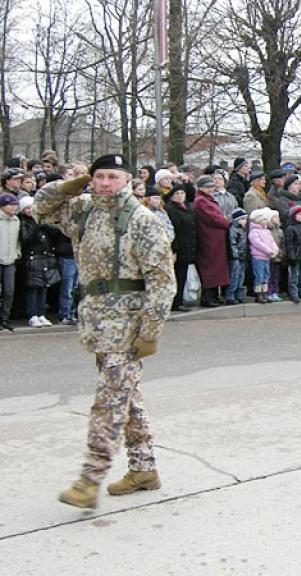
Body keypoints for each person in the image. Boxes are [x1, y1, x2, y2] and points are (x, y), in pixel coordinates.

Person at [34, 154, 174, 509]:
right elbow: (40, 208)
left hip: (127, 325)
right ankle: (144, 468)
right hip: (96, 321)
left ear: (127, 180)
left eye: (113, 176)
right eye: (99, 176)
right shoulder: (83, 209)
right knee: (128, 397)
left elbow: (162, 282)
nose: (105, 183)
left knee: (109, 402)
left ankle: (89, 479)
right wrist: (66, 185)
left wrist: (150, 332)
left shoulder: (142, 220)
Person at [17, 197, 60, 327]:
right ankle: (32, 315)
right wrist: (36, 226)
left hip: (46, 258)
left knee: (44, 287)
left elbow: (56, 232)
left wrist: (44, 223)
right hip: (32, 259)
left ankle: (41, 313)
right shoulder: (23, 222)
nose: (31, 210)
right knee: (33, 288)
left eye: (32, 208)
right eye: (27, 208)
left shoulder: (43, 221)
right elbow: (25, 239)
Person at [192, 175, 231, 307]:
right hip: (209, 239)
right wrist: (226, 221)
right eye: (208, 187)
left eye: (212, 187)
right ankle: (207, 297)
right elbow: (215, 218)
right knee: (210, 269)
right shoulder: (201, 201)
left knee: (217, 269)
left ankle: (214, 295)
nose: (211, 189)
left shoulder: (208, 200)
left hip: (215, 240)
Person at [247, 208, 277, 304]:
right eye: (264, 219)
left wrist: (275, 249)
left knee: (266, 275)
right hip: (258, 257)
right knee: (259, 276)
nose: (266, 221)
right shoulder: (254, 232)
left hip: (266, 257)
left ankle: (264, 293)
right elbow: (258, 243)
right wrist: (269, 251)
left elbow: (272, 242)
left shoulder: (267, 231)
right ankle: (258, 294)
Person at [0, 192, 20, 331]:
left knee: (9, 291)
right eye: (10, 205)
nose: (13, 207)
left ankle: (4, 319)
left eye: (15, 204)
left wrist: (17, 252)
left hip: (10, 260)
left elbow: (18, 239)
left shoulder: (16, 221)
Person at [226, 208, 249, 305]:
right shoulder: (233, 230)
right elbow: (232, 244)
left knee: (241, 276)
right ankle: (230, 295)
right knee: (235, 276)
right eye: (243, 219)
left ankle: (240, 295)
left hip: (242, 256)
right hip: (236, 257)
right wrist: (235, 255)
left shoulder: (243, 230)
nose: (245, 221)